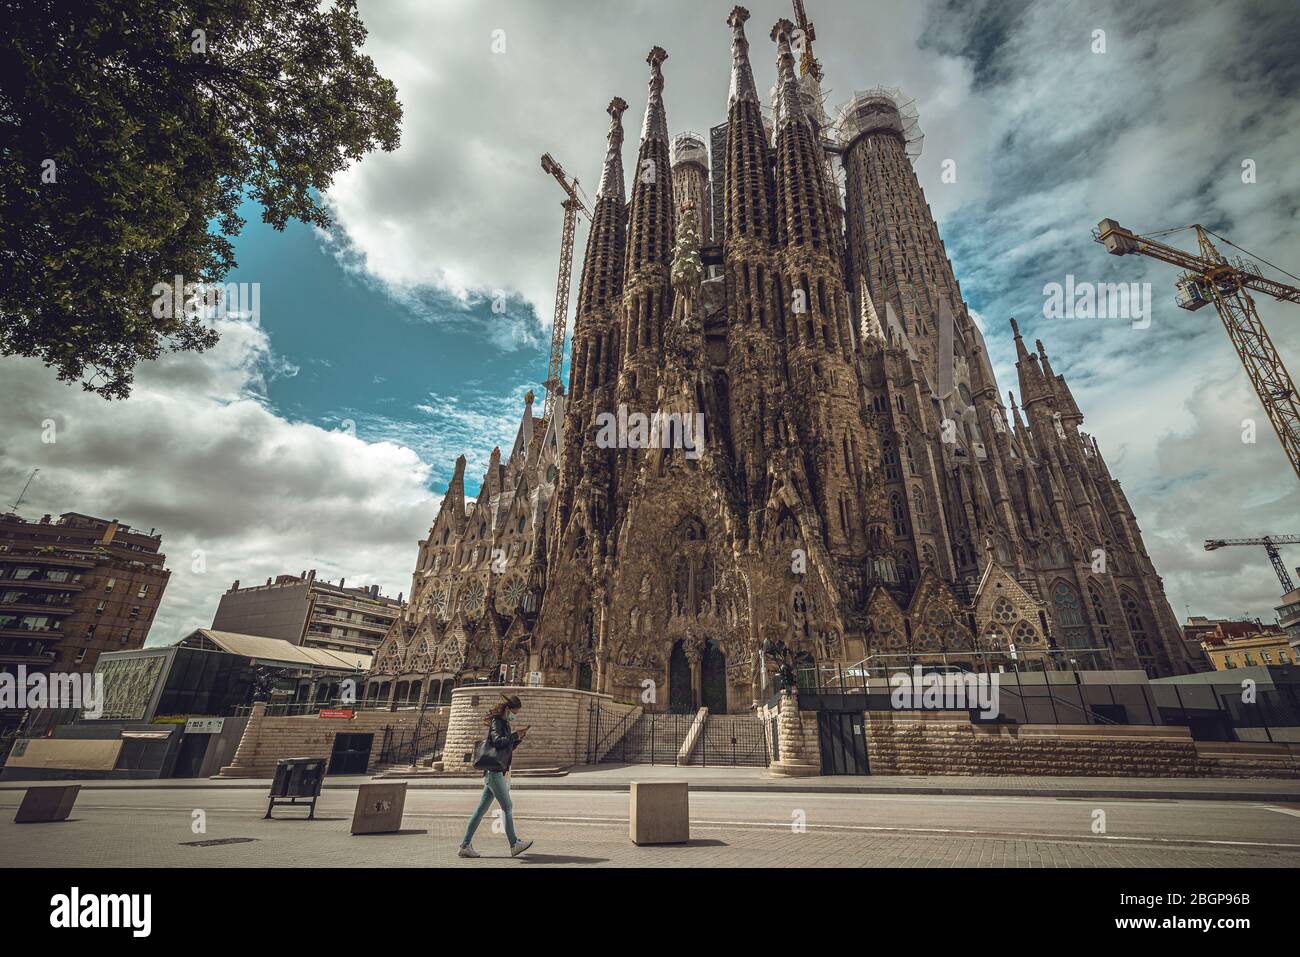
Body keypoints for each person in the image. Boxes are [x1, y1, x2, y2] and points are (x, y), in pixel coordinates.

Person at [459, 693, 533, 858]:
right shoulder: (497, 722)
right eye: (515, 713)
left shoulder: (504, 723)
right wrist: (513, 736)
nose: (515, 716)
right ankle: (514, 844)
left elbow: (506, 749)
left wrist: (518, 738)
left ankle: (465, 845)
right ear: (508, 709)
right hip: (494, 771)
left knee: (481, 810)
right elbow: (497, 741)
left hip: (496, 770)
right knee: (507, 806)